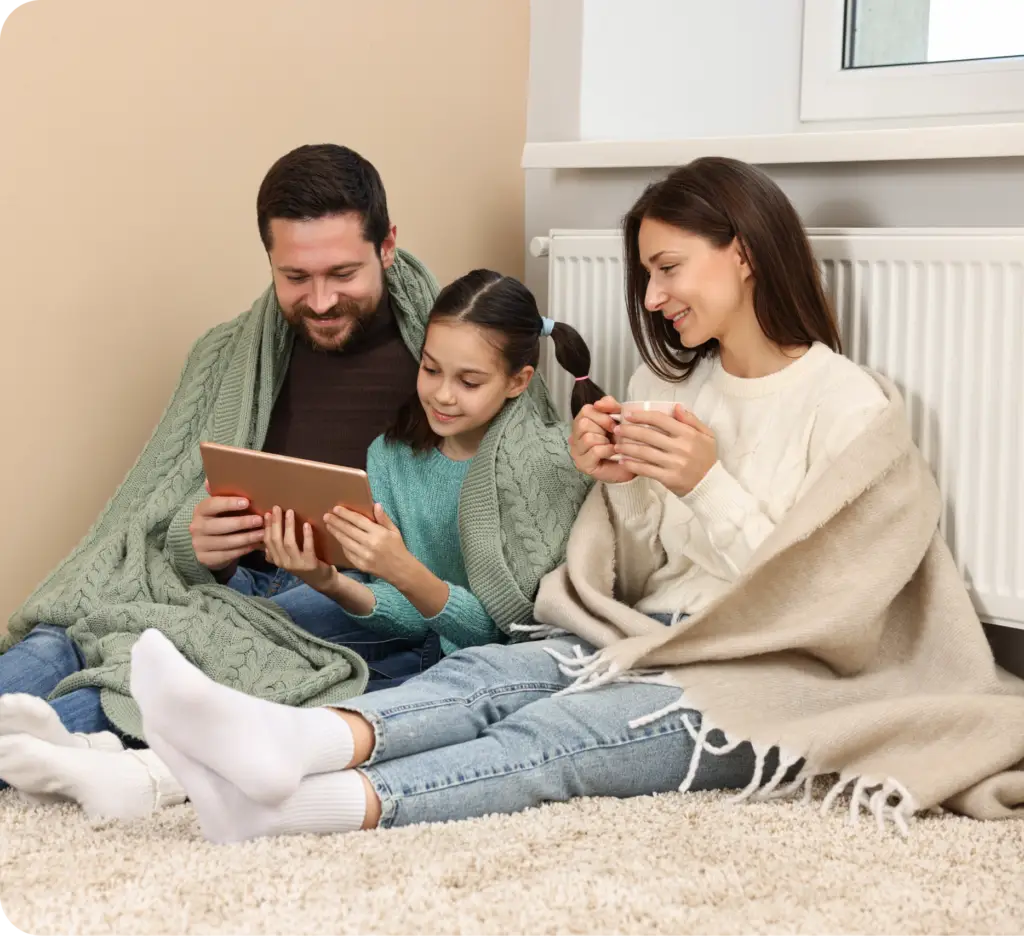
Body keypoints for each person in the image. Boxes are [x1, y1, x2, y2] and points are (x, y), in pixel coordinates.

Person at [93, 152, 1017, 845]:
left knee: (564, 732)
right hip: (651, 632)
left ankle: (303, 801)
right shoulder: (691, 398)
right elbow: (646, 574)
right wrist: (619, 487)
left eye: (668, 268)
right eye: (646, 275)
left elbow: (828, 608)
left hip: (770, 674)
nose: (652, 300)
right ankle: (294, 742)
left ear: (741, 256)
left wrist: (702, 481)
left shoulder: (847, 402)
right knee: (490, 675)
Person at [0, 144, 553, 795]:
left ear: (387, 246)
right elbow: (152, 511)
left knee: (184, 658)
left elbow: (507, 532)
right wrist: (198, 544)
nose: (320, 300)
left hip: (350, 598)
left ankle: (53, 750)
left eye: (342, 273)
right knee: (68, 632)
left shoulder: (455, 350)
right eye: (296, 277)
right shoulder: (227, 355)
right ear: (270, 260)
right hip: (237, 583)